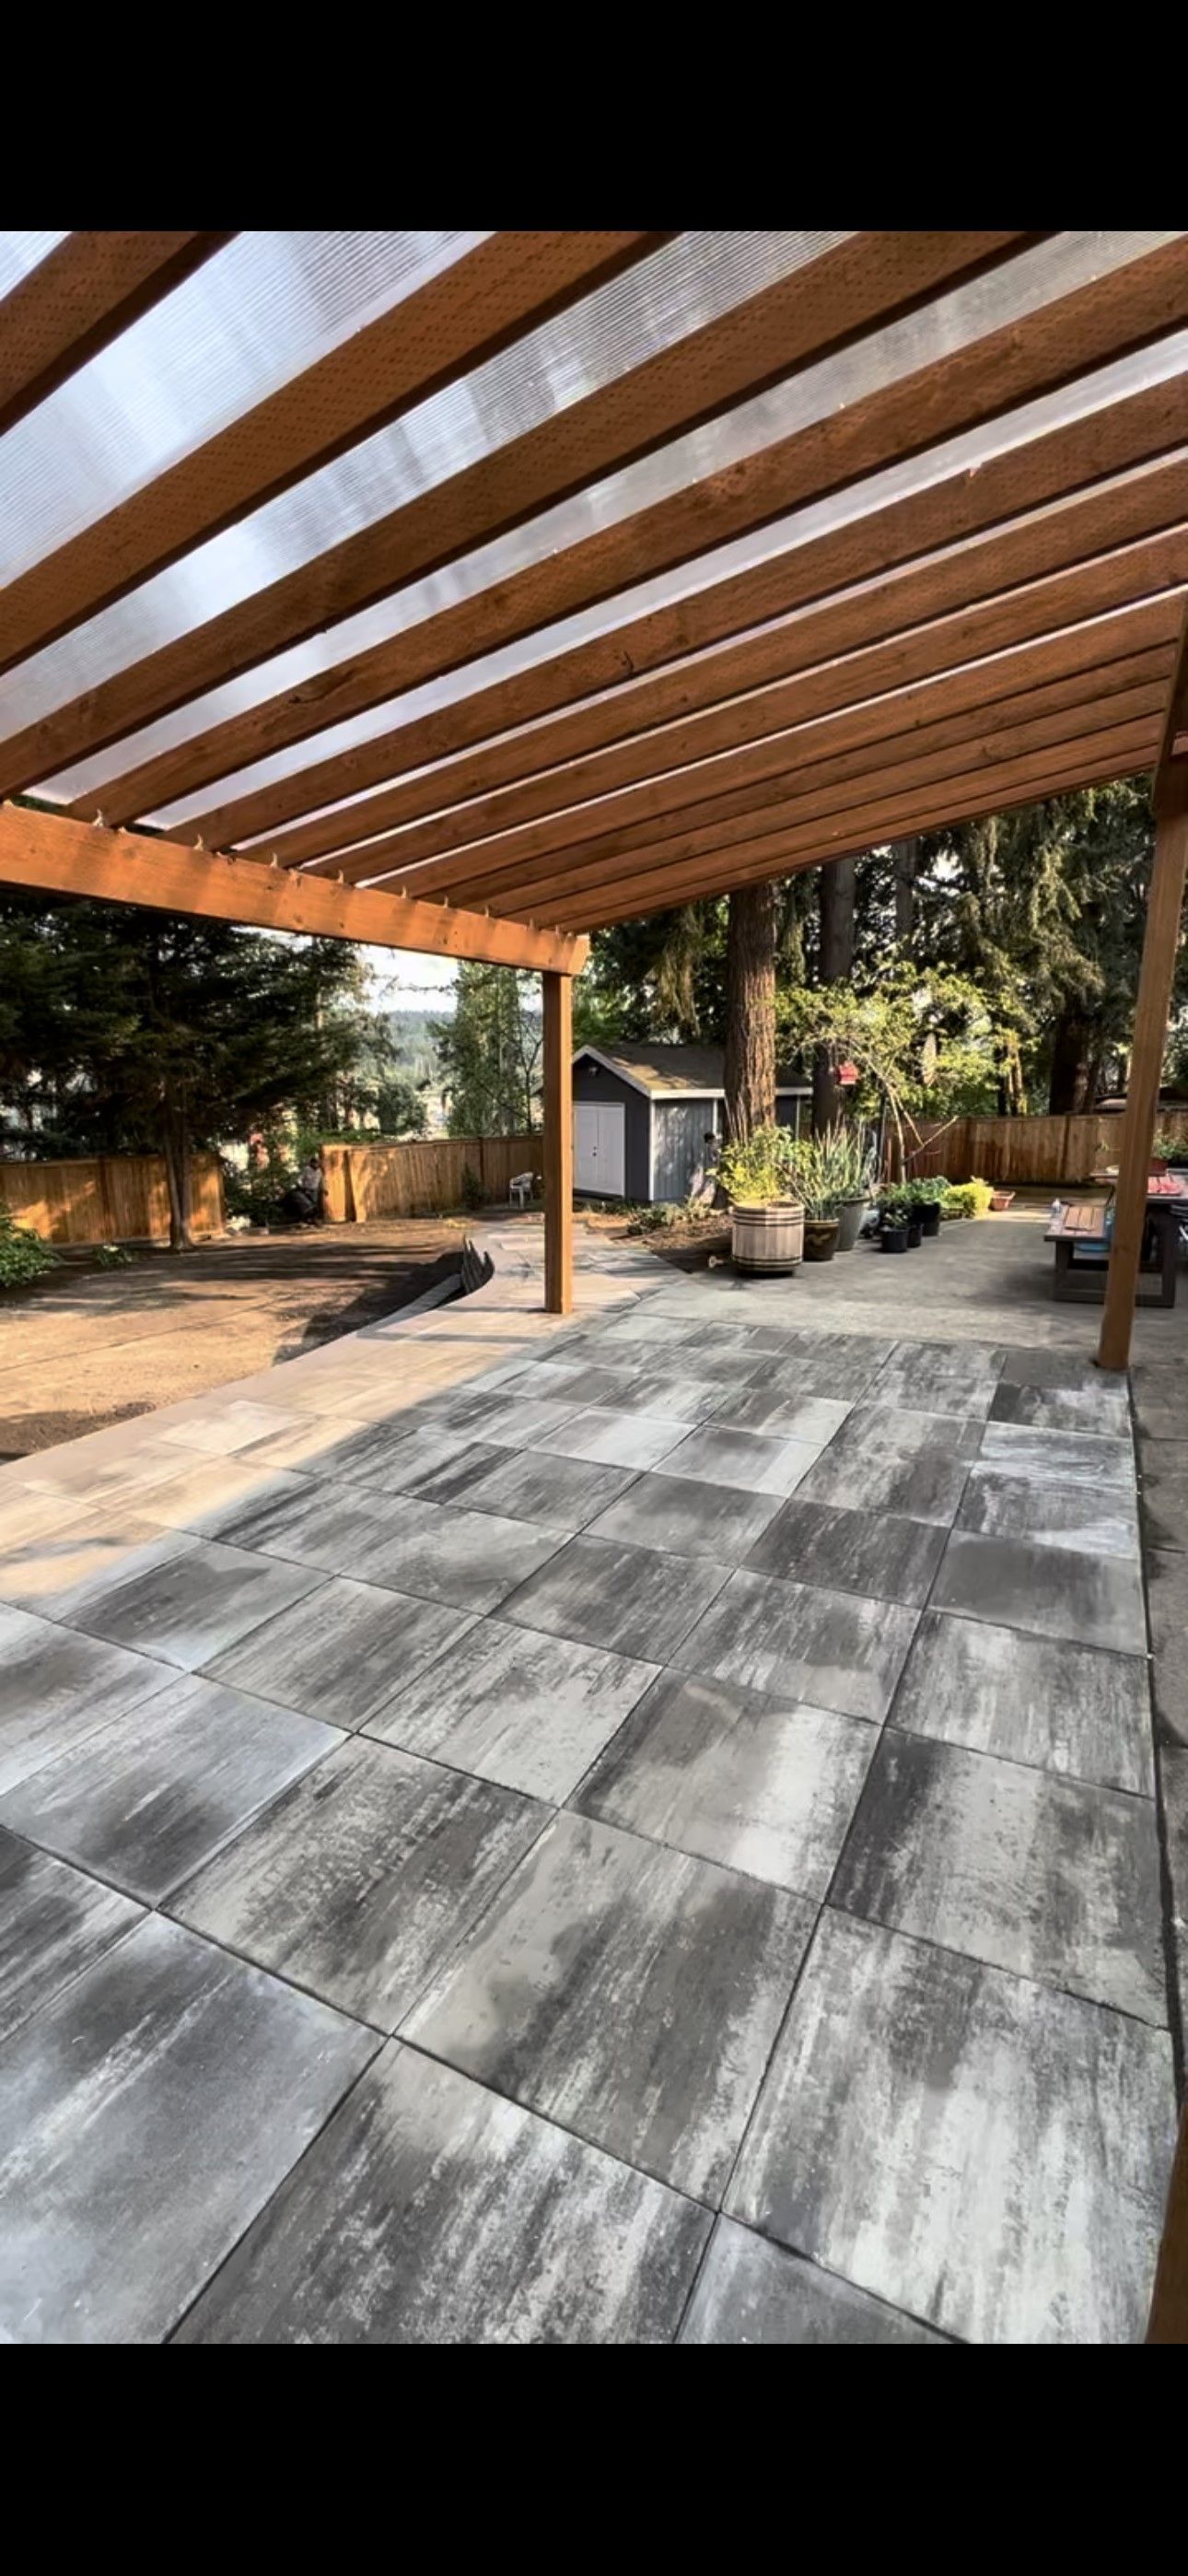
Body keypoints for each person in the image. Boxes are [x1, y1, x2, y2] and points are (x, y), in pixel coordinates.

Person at [283, 1151, 325, 1225]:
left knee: (314, 1205)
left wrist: (323, 1188)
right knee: (306, 1205)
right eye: (315, 1163)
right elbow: (300, 1178)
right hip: (306, 1189)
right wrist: (300, 1186)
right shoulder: (307, 1169)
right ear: (312, 1163)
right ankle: (305, 1219)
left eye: (317, 1163)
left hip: (314, 1190)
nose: (316, 1165)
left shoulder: (319, 1171)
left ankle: (313, 1220)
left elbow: (321, 1181)